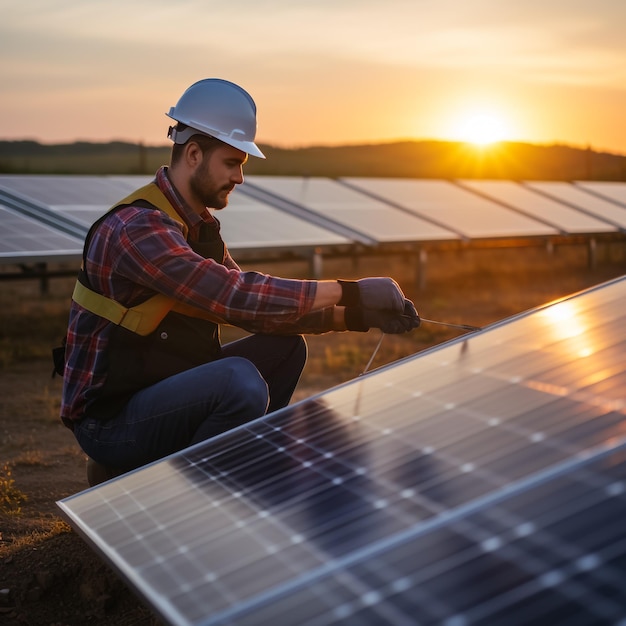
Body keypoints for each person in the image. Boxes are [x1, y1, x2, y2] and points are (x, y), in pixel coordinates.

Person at [59, 78, 420, 486]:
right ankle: (182, 501)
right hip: (111, 420)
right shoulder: (138, 230)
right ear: (194, 154)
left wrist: (354, 315)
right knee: (238, 382)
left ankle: (232, 477)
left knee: (283, 350)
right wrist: (349, 288)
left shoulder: (197, 228)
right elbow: (238, 296)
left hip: (161, 391)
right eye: (232, 163)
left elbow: (262, 315)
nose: (240, 178)